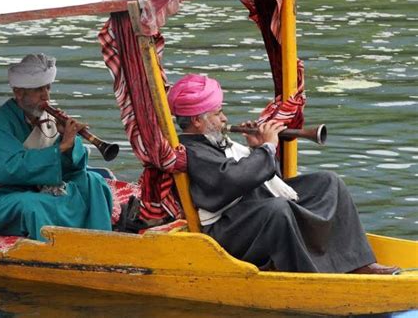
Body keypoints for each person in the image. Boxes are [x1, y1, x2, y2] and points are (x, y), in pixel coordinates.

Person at [168, 73, 399, 274]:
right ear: (197, 120)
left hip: (251, 209)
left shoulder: (214, 141)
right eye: (218, 114)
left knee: (329, 183)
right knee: (277, 209)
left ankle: (358, 262)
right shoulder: (191, 150)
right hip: (227, 229)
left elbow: (268, 178)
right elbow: (233, 180)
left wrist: (258, 148)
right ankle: (310, 274)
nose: (224, 118)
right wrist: (266, 148)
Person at [0, 53, 113, 241]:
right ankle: (53, 252)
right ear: (19, 92)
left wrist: (67, 140)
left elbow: (70, 170)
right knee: (34, 205)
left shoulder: (46, 118)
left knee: (94, 183)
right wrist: (60, 149)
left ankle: (99, 241)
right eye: (39, 90)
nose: (46, 95)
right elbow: (10, 168)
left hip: (35, 186)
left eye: (48, 87)